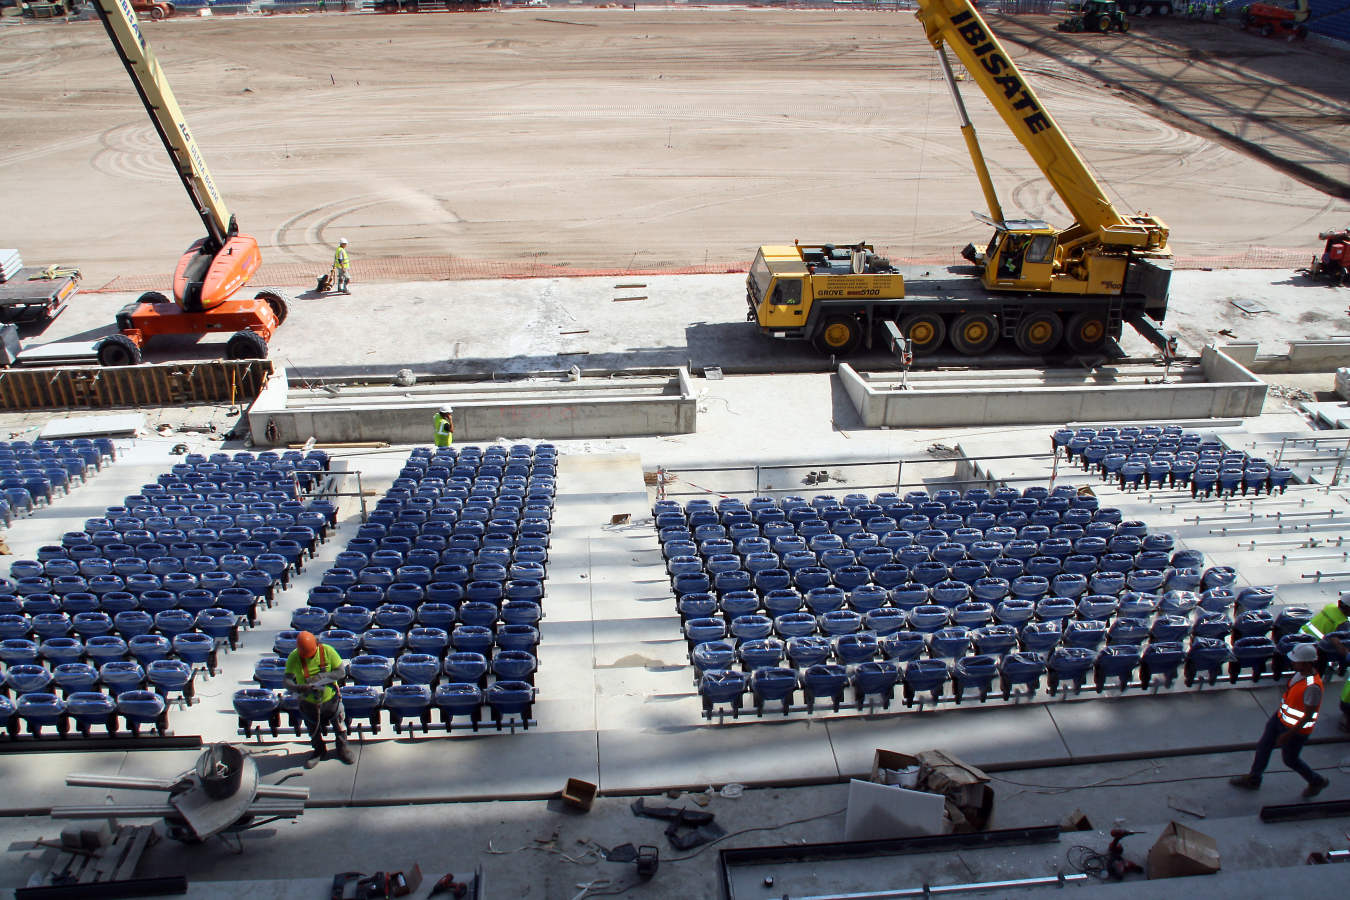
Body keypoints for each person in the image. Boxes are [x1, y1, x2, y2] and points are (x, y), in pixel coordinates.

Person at [1229, 642, 1329, 797]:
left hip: (1295, 732)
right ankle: (1254, 778)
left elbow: (1308, 715)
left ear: (1308, 663)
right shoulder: (1299, 674)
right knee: (1264, 746)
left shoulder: (1312, 687)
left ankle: (1316, 781)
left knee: (1290, 760)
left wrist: (1288, 734)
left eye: (1296, 661)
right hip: (1279, 720)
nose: (1293, 662)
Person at [284, 630, 354, 768]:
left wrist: (321, 677)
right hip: (308, 702)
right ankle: (319, 750)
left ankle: (342, 748)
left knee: (339, 723)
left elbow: (341, 672)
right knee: (312, 728)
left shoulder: (328, 651)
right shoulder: (294, 657)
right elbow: (286, 681)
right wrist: (299, 688)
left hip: (330, 700)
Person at [1302, 592, 1350, 729]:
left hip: (1304, 635)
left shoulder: (1329, 607)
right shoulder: (1342, 623)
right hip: (1318, 648)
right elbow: (1341, 646)